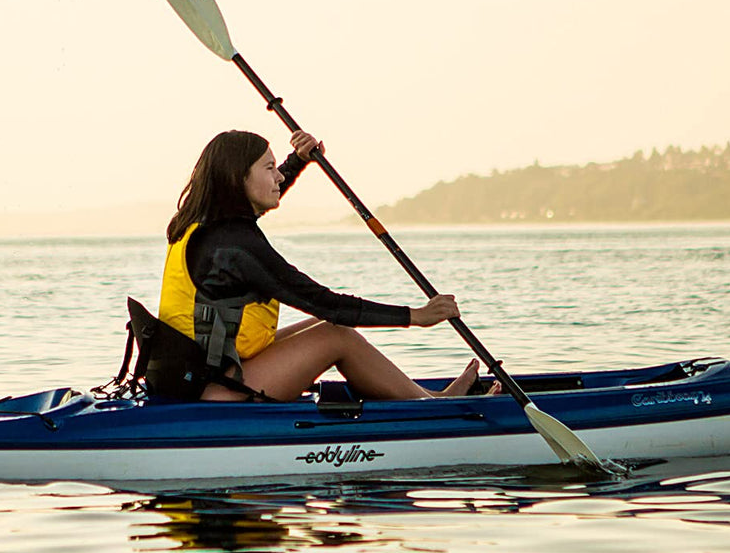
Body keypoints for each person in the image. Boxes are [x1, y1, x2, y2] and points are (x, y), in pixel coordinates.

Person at [156, 128, 484, 402]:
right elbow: (324, 302)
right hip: (216, 389)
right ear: (237, 178)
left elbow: (264, 194)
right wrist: (415, 316)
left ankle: (425, 397)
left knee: (325, 326)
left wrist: (298, 160)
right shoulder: (234, 247)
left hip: (202, 373)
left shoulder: (206, 223)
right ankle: (432, 408)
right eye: (269, 168)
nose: (278, 177)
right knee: (336, 334)